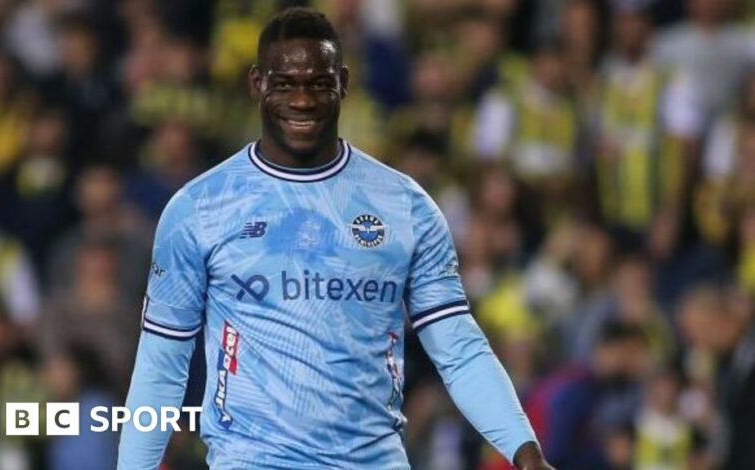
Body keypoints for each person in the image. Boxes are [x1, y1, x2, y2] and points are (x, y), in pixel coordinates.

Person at [118, 7, 553, 470]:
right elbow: (161, 365)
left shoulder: (405, 206)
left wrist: (525, 452)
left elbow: (459, 348)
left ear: (343, 83)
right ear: (256, 84)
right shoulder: (199, 209)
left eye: (319, 83)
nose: (302, 100)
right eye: (284, 83)